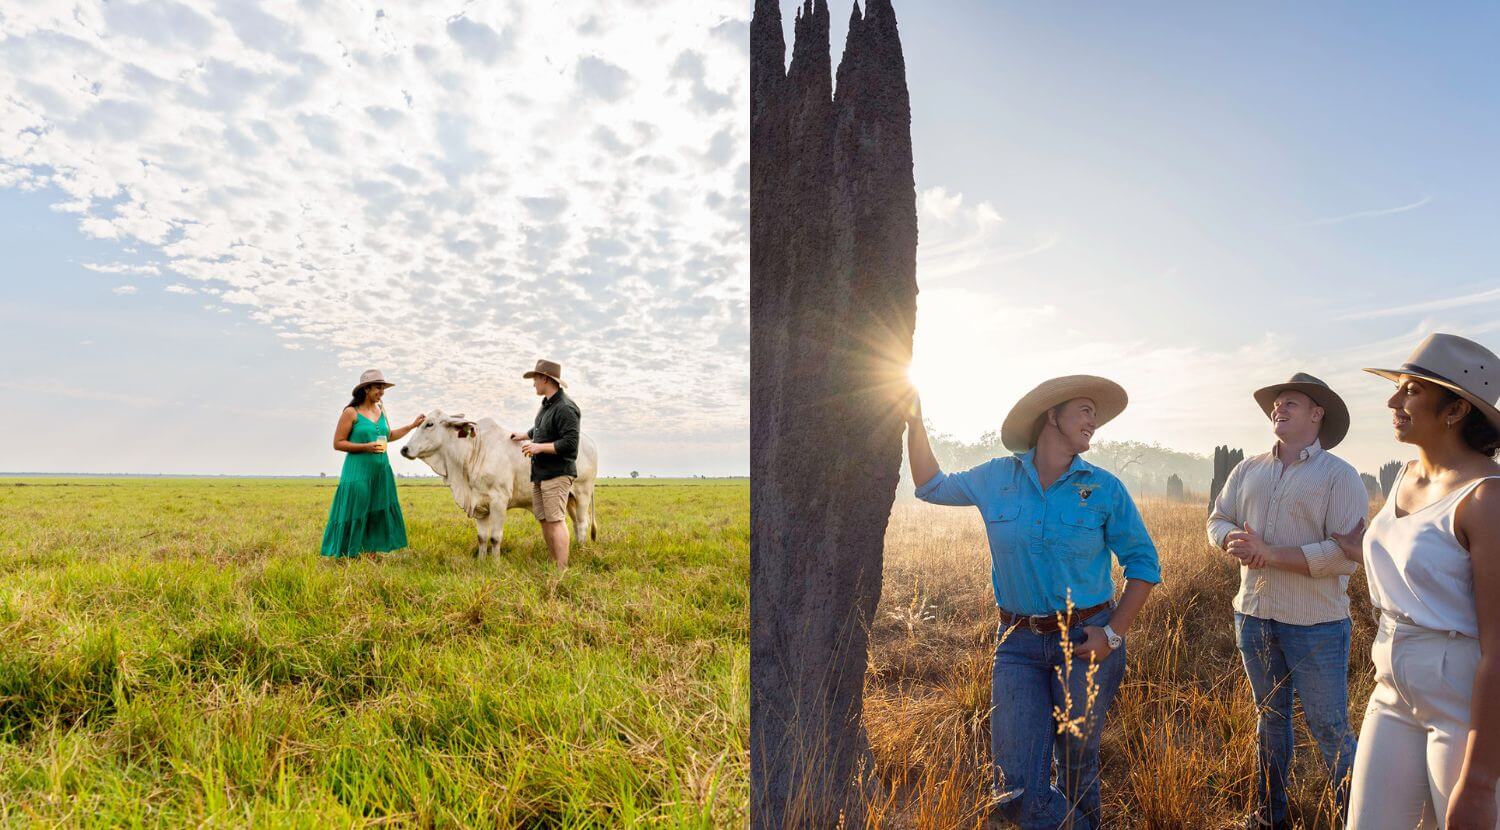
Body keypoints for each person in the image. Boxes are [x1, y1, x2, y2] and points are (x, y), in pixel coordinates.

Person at [904, 375, 1160, 830]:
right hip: (1018, 645)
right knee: (1015, 791)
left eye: (1094, 414)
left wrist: (1113, 633)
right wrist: (914, 422)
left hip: (1087, 641)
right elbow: (930, 485)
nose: (1092, 421)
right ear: (1051, 415)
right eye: (1084, 409)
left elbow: (1143, 565)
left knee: (1078, 768)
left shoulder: (1104, 488)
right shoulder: (996, 477)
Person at [1337, 333, 1500, 829]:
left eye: (1410, 390)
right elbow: (1414, 566)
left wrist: (1480, 782)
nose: (1393, 401)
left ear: (1454, 411)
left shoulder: (1486, 499)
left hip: (1459, 693)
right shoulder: (1403, 475)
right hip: (1389, 681)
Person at [1206, 373, 1368, 829]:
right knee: (1270, 721)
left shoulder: (1340, 476)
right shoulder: (1247, 469)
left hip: (1315, 623)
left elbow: (1345, 557)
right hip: (1254, 615)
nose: (1279, 408)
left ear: (1317, 414)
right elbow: (1217, 519)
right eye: (1277, 404)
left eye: (1291, 403)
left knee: (1330, 727)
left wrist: (1270, 554)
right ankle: (1267, 817)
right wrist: (1230, 540)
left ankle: (1354, 817)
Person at [321, 369, 425, 558]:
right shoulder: (351, 412)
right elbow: (338, 443)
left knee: (376, 511)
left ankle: (371, 555)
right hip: (357, 471)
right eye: (378, 387)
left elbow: (389, 435)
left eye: (383, 388)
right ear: (366, 389)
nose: (382, 391)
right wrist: (366, 446)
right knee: (356, 509)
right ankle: (348, 554)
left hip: (381, 471)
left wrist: (411, 426)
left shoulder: (381, 410)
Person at [509, 359, 581, 570]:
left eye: (535, 379)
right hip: (540, 472)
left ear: (545, 379)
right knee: (544, 519)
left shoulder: (566, 408)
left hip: (557, 473)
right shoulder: (547, 405)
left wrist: (539, 447)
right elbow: (540, 428)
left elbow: (570, 444)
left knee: (556, 520)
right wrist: (524, 435)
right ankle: (553, 560)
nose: (533, 384)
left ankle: (562, 568)